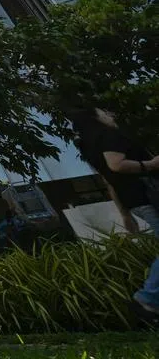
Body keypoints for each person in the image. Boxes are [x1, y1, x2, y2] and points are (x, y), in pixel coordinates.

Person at [70, 107, 159, 313]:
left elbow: (110, 182)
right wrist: (151, 164)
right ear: (95, 118)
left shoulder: (91, 148)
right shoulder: (109, 137)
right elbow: (116, 165)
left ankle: (149, 299)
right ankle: (148, 298)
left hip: (135, 201)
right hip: (148, 194)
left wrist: (125, 213)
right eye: (105, 113)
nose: (111, 115)